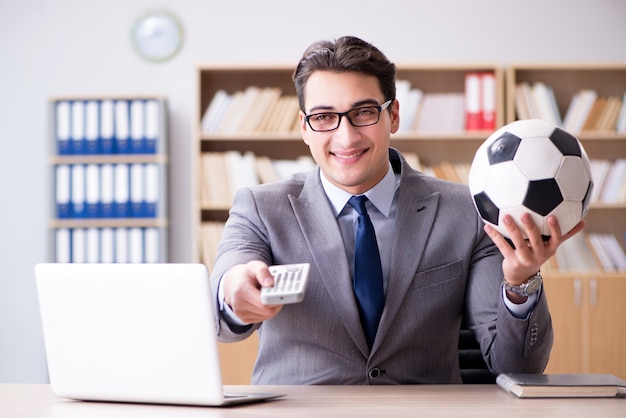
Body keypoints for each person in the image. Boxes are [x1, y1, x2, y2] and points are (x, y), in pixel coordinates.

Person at [209, 35, 585, 385]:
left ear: (394, 116)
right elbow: (223, 307)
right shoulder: (261, 208)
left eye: (364, 112)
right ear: (305, 128)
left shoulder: (465, 211)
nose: (346, 136)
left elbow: (518, 367)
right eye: (324, 117)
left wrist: (521, 282)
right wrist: (233, 295)